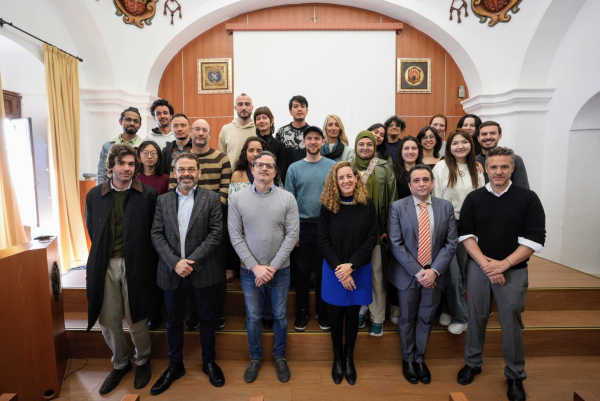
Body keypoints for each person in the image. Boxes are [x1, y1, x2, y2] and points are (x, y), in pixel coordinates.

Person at [456, 147, 545, 401]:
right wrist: (487, 266)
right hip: (479, 267)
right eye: (493, 167)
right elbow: (466, 235)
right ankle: (472, 362)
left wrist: (504, 264)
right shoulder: (474, 198)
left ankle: (515, 375)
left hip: (514, 270)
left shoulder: (528, 198)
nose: (498, 171)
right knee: (476, 316)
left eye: (504, 167)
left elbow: (535, 239)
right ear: (485, 169)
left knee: (511, 322)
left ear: (512, 169)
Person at [85, 144, 158, 394]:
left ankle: (142, 360)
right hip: (105, 264)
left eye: (131, 164)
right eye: (121, 164)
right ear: (111, 166)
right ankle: (120, 363)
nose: (126, 168)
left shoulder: (147, 194)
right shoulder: (94, 195)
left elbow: (152, 232)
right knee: (108, 319)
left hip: (137, 263)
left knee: (137, 316)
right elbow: (92, 229)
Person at [150, 152, 225, 395]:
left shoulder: (211, 199)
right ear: (174, 172)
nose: (186, 174)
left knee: (206, 319)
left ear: (199, 173)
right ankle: (175, 366)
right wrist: (175, 262)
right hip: (172, 273)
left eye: (191, 169)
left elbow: (216, 233)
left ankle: (209, 362)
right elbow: (156, 235)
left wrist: (191, 262)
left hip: (202, 270)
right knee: (173, 322)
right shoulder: (162, 201)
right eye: (182, 169)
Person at [228, 151, 299, 384]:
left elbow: (292, 235)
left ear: (275, 171)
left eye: (269, 166)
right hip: (250, 272)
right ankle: (255, 357)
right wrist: (255, 267)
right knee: (254, 316)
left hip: (281, 270)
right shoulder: (238, 198)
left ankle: (280, 357)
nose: (264, 169)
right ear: (253, 169)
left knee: (279, 315)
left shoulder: (287, 198)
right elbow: (235, 235)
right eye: (259, 165)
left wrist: (272, 267)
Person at [388, 164, 457, 385]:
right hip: (408, 275)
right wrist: (419, 272)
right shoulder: (397, 207)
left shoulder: (445, 207)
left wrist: (434, 271)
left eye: (425, 179)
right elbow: (396, 244)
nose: (421, 184)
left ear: (432, 182)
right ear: (409, 185)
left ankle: (420, 359)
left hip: (434, 276)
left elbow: (451, 243)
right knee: (407, 318)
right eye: (416, 180)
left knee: (426, 318)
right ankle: (408, 360)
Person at [318, 161, 377, 385]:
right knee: (335, 316)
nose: (346, 181)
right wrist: (340, 269)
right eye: (341, 177)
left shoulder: (367, 204)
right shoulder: (327, 206)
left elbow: (371, 239)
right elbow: (322, 241)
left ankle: (349, 358)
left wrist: (351, 266)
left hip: (359, 268)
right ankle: (337, 359)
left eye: (349, 176)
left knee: (353, 316)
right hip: (333, 269)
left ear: (356, 178)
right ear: (335, 181)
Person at [432, 129, 485, 335]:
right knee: (451, 273)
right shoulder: (441, 166)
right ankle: (461, 317)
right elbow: (435, 198)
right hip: (446, 224)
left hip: (469, 226)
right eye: (455, 143)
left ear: (471, 145)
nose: (460, 146)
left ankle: (448, 309)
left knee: (462, 274)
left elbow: (481, 200)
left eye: (464, 142)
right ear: (449, 146)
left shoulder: (477, 169)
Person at [285, 126, 336, 332]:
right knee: (303, 272)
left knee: (325, 271)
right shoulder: (294, 168)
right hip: (301, 226)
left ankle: (322, 310)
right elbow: (289, 201)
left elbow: (335, 199)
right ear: (303, 142)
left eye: (317, 138)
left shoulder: (333, 166)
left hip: (326, 226)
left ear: (323, 142)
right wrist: (293, 230)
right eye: (309, 138)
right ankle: (303, 310)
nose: (313, 142)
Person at [186, 117, 232, 331]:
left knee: (216, 269)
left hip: (215, 222)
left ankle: (217, 311)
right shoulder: (180, 159)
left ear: (210, 134)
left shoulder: (222, 158)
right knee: (192, 267)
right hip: (186, 223)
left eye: (205, 130)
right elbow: (173, 188)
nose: (200, 133)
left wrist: (207, 214)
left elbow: (225, 190)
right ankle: (194, 312)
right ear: (191, 132)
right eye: (197, 129)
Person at [354, 131, 398, 336]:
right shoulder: (348, 167)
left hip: (377, 230)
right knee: (356, 273)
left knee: (376, 274)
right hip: (353, 234)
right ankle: (360, 309)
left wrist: (389, 229)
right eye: (361, 144)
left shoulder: (384, 167)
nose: (365, 148)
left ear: (374, 146)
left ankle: (378, 317)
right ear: (355, 146)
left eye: (368, 145)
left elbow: (392, 200)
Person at [136, 140, 170, 331]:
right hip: (137, 231)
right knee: (142, 275)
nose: (149, 156)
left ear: (159, 156)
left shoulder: (165, 178)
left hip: (158, 230)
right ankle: (145, 311)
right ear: (139, 155)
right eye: (145, 152)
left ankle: (156, 312)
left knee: (156, 273)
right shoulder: (133, 177)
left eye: (153, 153)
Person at [96, 107, 145, 185]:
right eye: (128, 119)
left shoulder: (144, 147)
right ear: (120, 121)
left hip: (136, 189)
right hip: (111, 189)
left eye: (136, 121)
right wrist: (101, 192)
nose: (132, 123)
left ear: (139, 125)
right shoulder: (108, 146)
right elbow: (101, 173)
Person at [476, 121, 530, 189]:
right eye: (484, 134)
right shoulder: (474, 162)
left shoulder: (515, 159)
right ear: (478, 138)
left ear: (500, 136)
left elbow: (523, 190)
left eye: (492, 133)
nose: (488, 137)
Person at [218, 93, 256, 169]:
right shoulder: (226, 129)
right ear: (235, 107)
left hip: (255, 177)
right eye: (240, 104)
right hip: (231, 177)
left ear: (252, 107)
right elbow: (222, 158)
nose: (244, 107)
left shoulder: (258, 129)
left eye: (247, 104)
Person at [276, 95, 311, 175]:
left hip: (307, 176)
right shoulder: (282, 132)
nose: (299, 109)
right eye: (295, 106)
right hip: (286, 178)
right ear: (290, 111)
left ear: (307, 111)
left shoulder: (312, 133)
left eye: (302, 106)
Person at [254, 106, 286, 181]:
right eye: (258, 119)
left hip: (274, 183)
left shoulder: (279, 145)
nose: (261, 121)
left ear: (271, 120)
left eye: (264, 118)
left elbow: (281, 169)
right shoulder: (253, 143)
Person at [163, 113, 193, 184]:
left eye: (183, 125)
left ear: (189, 129)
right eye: (175, 126)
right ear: (171, 129)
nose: (179, 129)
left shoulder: (197, 148)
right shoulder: (166, 151)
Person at [393, 135, 423, 200]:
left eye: (414, 148)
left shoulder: (425, 171)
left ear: (419, 151)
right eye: (406, 148)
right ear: (400, 151)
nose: (410, 152)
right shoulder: (392, 172)